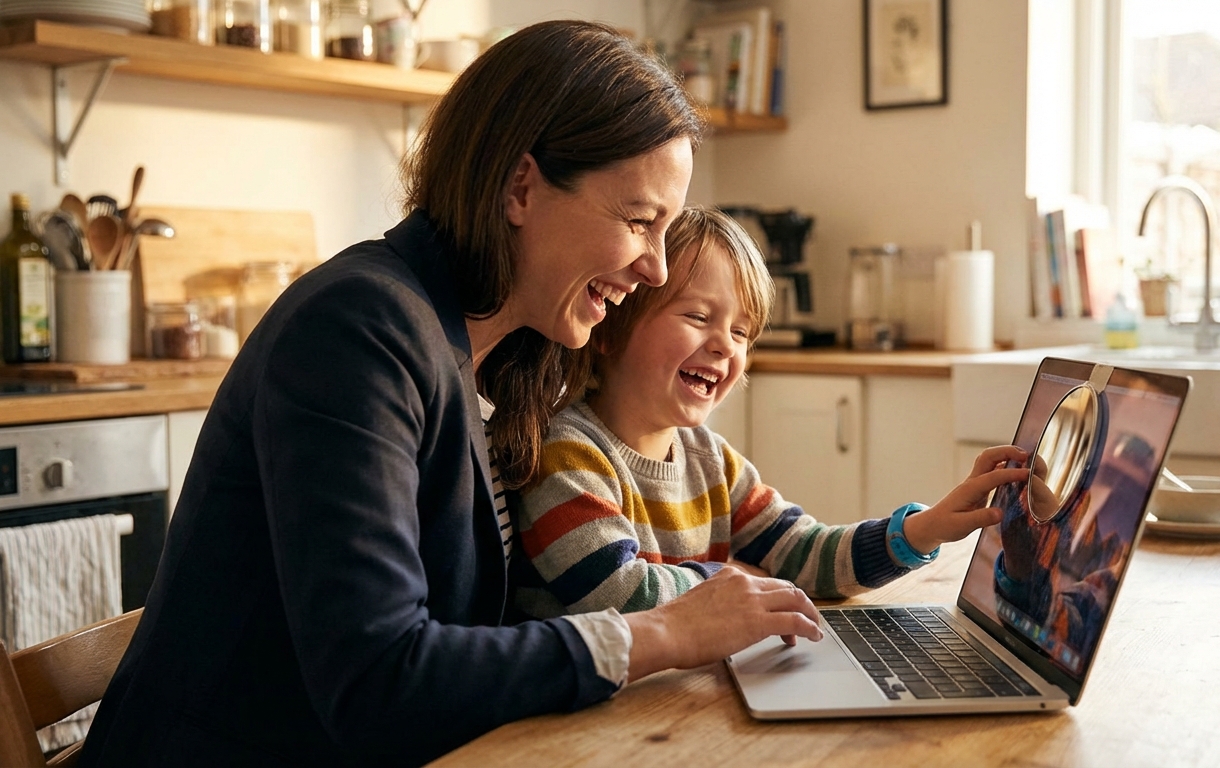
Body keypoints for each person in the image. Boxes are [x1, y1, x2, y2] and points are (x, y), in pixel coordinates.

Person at [81, 21, 829, 768]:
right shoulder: (357, 331)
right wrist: (666, 633)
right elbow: (378, 682)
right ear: (520, 187)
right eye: (639, 222)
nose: (657, 271)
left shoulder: (496, 355)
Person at [513, 206, 1031, 619]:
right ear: (610, 328)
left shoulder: (711, 461)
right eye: (698, 316)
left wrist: (925, 528)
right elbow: (619, 594)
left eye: (741, 332)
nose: (724, 345)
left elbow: (805, 553)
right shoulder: (565, 454)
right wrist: (740, 580)